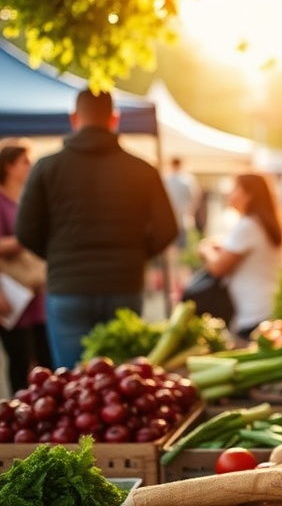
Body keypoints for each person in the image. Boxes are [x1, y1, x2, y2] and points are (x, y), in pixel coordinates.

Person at [16, 90, 178, 369]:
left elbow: (25, 230)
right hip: (124, 285)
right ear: (115, 119)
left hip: (68, 286)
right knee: (122, 383)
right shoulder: (142, 169)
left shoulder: (46, 167)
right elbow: (168, 229)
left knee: (74, 384)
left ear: (74, 118)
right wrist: (134, 254)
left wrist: (59, 256)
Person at [198, 173, 282, 339]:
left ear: (248, 195)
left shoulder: (249, 226)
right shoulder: (261, 223)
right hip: (267, 308)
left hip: (255, 314)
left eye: (234, 188)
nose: (229, 194)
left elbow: (218, 268)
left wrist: (205, 249)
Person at [0, 139, 51, 391]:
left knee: (46, 360)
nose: (30, 166)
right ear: (9, 166)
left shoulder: (23, 198)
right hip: (12, 293)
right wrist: (25, 238)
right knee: (21, 361)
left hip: (35, 291)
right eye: (24, 162)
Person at [164, 156, 202, 249]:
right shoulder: (187, 180)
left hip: (177, 217)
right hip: (181, 216)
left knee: (176, 245)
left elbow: (195, 198)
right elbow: (195, 198)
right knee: (180, 245)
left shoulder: (168, 179)